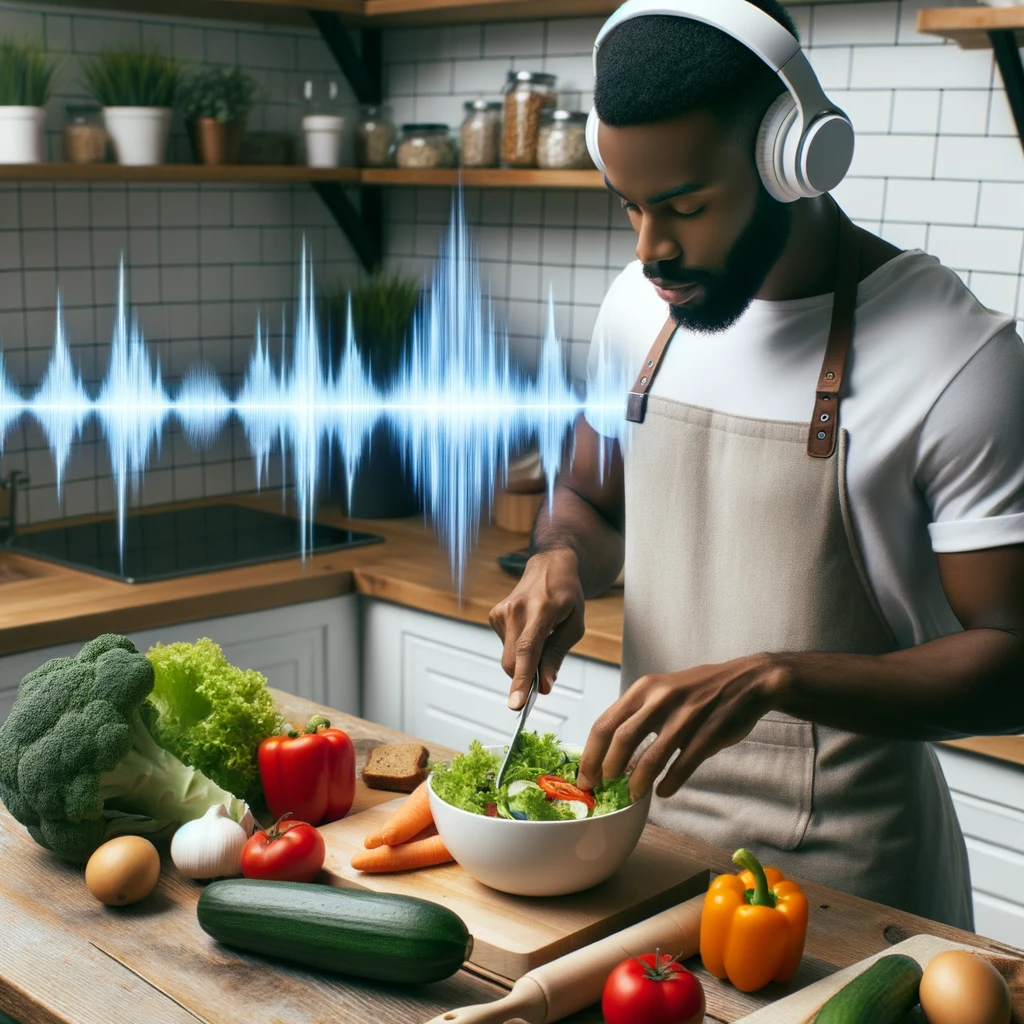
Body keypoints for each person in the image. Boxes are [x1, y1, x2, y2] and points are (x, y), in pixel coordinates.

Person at [488, 0, 1024, 930]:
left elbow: (1014, 664)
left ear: (792, 160)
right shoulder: (637, 308)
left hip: (850, 884)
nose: (650, 248)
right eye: (631, 205)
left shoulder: (959, 361)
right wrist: (561, 559)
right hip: (641, 846)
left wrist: (781, 675)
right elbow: (589, 498)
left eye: (685, 207)